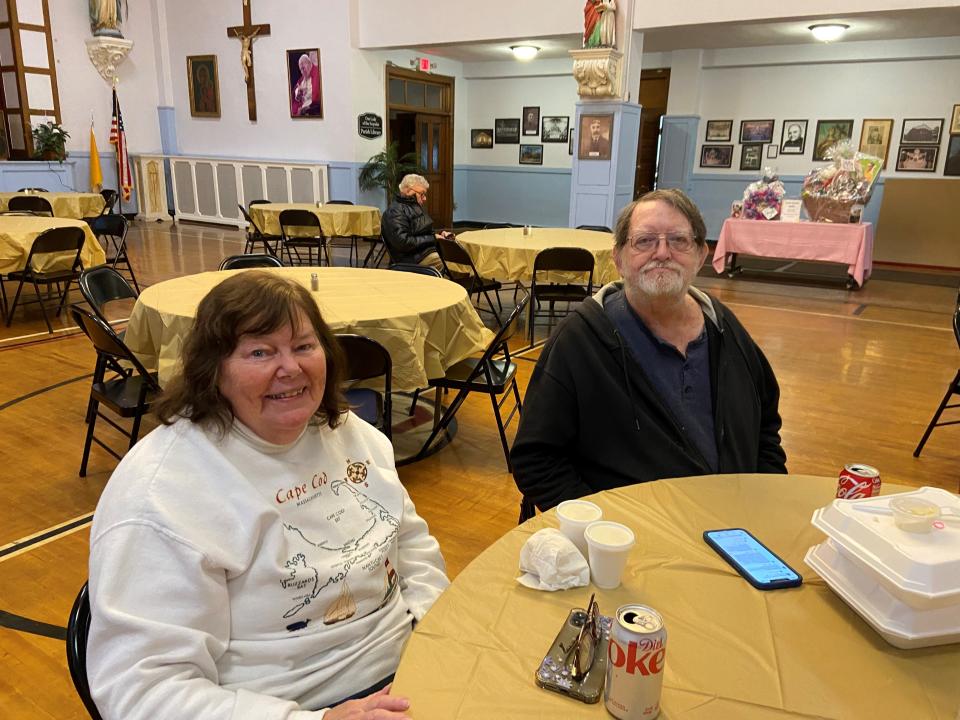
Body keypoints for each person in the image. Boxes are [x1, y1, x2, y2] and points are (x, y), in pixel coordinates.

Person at [87, 272, 449, 719]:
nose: (291, 368)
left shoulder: (350, 433)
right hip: (290, 704)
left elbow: (411, 546)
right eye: (260, 352)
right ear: (212, 370)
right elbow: (140, 690)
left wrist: (437, 639)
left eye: (303, 346)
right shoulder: (159, 492)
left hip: (411, 667)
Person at [511, 189, 787, 511]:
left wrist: (763, 501)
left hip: (729, 530)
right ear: (618, 259)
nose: (662, 253)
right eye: (644, 241)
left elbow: (766, 426)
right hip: (629, 543)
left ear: (701, 254)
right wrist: (606, 530)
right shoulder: (580, 341)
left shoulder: (725, 329)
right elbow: (536, 459)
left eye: (679, 241)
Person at [381, 174, 448, 271]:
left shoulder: (414, 207)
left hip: (423, 253)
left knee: (457, 257)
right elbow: (403, 243)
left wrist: (441, 235)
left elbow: (424, 232)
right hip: (410, 260)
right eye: (422, 194)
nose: (425, 198)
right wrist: (433, 238)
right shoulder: (394, 212)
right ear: (408, 191)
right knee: (449, 263)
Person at [292, 52, 322, 117]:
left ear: (309, 63)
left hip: (312, 110)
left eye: (303, 67)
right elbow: (296, 90)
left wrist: (305, 109)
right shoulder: (302, 78)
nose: (302, 71)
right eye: (301, 69)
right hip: (302, 108)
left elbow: (317, 98)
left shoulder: (317, 73)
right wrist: (298, 93)